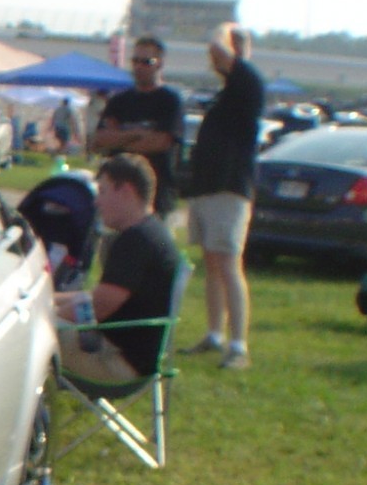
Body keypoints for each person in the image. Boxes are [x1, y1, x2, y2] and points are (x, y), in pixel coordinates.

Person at [53, 153, 182, 383]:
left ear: (126, 191)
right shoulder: (156, 233)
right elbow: (98, 299)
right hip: (135, 358)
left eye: (102, 191)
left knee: (24, 336)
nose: (96, 202)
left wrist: (44, 317)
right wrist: (49, 299)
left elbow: (96, 309)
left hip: (116, 362)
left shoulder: (135, 241)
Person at [182, 23, 265, 368]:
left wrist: (224, 29)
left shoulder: (249, 82)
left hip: (230, 189)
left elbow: (219, 48)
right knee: (212, 263)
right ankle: (215, 334)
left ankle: (239, 346)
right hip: (207, 188)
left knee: (230, 264)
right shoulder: (225, 92)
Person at [92, 35, 183, 217]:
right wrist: (138, 133)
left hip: (156, 199)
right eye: (135, 61)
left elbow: (161, 142)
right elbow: (100, 140)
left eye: (146, 62)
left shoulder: (170, 100)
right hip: (117, 196)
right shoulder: (120, 101)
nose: (139, 67)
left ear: (159, 64)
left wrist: (119, 139)